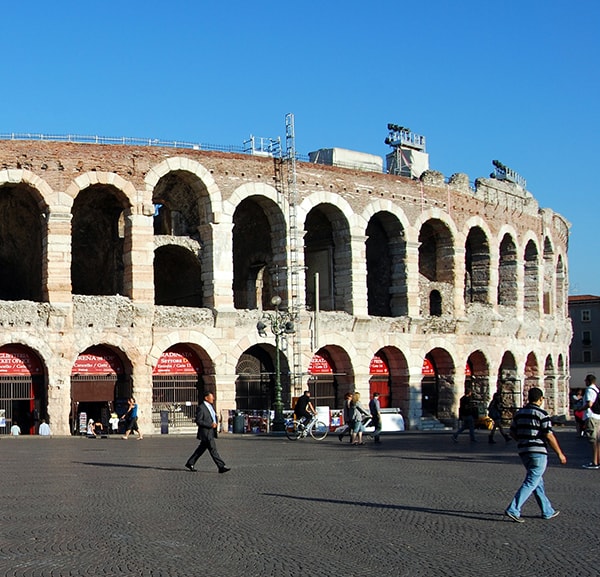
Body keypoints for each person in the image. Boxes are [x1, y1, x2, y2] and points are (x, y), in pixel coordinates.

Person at [505, 387, 566, 522]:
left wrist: (522, 440)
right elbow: (549, 435)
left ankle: (547, 510)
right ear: (540, 399)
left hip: (524, 451)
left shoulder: (520, 413)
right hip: (538, 452)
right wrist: (559, 453)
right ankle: (514, 509)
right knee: (532, 481)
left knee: (537, 481)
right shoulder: (542, 414)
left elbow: (512, 432)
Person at [185, 391, 230, 474]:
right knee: (213, 449)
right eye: (211, 397)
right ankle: (221, 466)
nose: (213, 398)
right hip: (206, 432)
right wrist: (210, 424)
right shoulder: (201, 408)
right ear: (206, 398)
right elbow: (198, 421)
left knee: (201, 449)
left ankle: (190, 462)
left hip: (211, 432)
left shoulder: (210, 406)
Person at [582, 374, 600, 468]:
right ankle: (598, 460)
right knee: (598, 440)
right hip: (598, 416)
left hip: (591, 416)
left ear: (588, 381)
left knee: (593, 440)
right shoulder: (597, 389)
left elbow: (589, 403)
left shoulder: (589, 390)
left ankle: (594, 462)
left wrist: (581, 409)